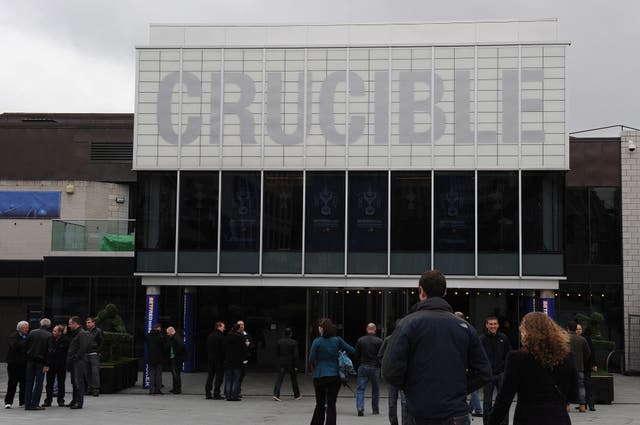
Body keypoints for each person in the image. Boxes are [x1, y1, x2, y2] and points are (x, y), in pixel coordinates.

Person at [382, 270, 491, 425]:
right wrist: (458, 389)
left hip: (419, 412)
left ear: (421, 290)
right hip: (456, 412)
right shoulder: (465, 327)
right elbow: (484, 372)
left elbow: (390, 370)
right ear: (445, 291)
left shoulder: (408, 324)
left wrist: (414, 388)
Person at [488, 312, 578, 425]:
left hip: (528, 418)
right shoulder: (568, 356)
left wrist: (492, 421)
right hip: (558, 418)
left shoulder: (517, 358)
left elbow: (504, 398)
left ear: (526, 333)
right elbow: (573, 393)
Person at [308, 318, 355, 425]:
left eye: (319, 327)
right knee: (331, 404)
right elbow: (352, 350)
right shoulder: (337, 340)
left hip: (319, 375)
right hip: (334, 376)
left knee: (319, 404)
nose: (319, 329)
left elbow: (310, 359)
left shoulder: (317, 341)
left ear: (322, 329)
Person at [378, 322, 413, 425]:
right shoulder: (390, 339)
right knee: (395, 402)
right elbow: (381, 356)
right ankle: (396, 422)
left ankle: (401, 422)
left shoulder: (407, 339)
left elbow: (380, 356)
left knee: (400, 402)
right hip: (397, 375)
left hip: (402, 375)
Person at [481, 316, 512, 425]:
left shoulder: (504, 338)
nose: (493, 326)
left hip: (501, 375)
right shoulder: (482, 339)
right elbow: (479, 356)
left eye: (495, 324)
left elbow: (509, 354)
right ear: (486, 325)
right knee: (487, 403)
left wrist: (505, 369)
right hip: (488, 375)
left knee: (503, 401)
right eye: (490, 324)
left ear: (498, 325)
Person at [454, 312, 483, 419]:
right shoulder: (470, 330)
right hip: (468, 364)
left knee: (469, 388)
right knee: (471, 386)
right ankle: (473, 408)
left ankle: (477, 409)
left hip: (463, 364)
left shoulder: (460, 331)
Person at [24, 318, 53, 410]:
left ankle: (27, 404)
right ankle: (34, 404)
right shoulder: (49, 335)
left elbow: (26, 346)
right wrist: (47, 364)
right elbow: (49, 351)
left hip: (30, 361)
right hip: (41, 362)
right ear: (48, 325)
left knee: (29, 383)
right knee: (39, 383)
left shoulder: (32, 332)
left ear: (40, 324)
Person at [355, 322, 383, 416]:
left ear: (367, 330)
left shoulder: (360, 340)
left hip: (363, 366)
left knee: (360, 389)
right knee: (375, 389)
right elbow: (381, 355)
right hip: (375, 367)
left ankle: (360, 407)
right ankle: (375, 409)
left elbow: (356, 354)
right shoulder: (379, 341)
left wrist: (358, 364)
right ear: (374, 330)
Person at [66, 316, 91, 409]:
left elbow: (83, 347)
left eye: (70, 323)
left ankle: (79, 402)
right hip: (75, 361)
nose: (69, 325)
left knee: (79, 381)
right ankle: (74, 400)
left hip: (79, 361)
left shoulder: (82, 333)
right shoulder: (76, 333)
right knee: (74, 381)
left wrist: (76, 357)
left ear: (75, 323)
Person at [43, 324, 70, 407]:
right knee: (49, 383)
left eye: (55, 331)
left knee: (61, 383)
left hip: (61, 365)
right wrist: (46, 364)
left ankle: (60, 400)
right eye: (53, 330)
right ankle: (48, 400)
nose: (53, 332)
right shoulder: (50, 339)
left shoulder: (65, 340)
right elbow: (47, 352)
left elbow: (66, 353)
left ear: (60, 332)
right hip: (51, 364)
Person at [567, 320, 591, 413]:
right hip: (580, 367)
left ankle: (567, 405)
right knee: (581, 386)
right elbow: (588, 353)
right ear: (576, 329)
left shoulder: (564, 338)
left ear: (568, 328)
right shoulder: (582, 339)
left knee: (567, 386)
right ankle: (582, 406)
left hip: (567, 366)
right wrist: (582, 361)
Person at [5, 320, 29, 409]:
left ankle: (22, 401)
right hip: (13, 364)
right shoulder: (13, 336)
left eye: (28, 327)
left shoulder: (27, 336)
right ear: (20, 328)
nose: (27, 329)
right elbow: (15, 346)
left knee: (24, 383)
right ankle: (8, 402)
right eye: (26, 327)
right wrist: (25, 341)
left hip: (24, 364)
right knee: (12, 383)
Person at [273, 327, 301, 401]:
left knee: (279, 379)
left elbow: (277, 353)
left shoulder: (279, 342)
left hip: (282, 362)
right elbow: (296, 355)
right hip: (291, 363)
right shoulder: (294, 342)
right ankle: (297, 395)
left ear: (284, 333)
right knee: (294, 379)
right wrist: (296, 365)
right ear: (291, 334)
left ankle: (276, 394)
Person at [224, 323, 248, 401]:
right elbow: (244, 349)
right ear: (238, 329)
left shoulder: (227, 336)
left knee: (228, 379)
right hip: (238, 361)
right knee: (236, 379)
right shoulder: (241, 337)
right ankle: (234, 396)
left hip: (228, 361)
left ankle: (228, 396)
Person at [577, 323, 597, 411]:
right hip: (582, 365)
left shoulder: (586, 339)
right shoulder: (578, 339)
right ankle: (584, 404)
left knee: (586, 385)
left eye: (580, 329)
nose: (578, 331)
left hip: (585, 365)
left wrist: (593, 364)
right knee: (583, 385)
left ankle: (589, 404)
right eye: (577, 329)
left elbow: (591, 352)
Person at [205, 321, 226, 400]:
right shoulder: (221, 337)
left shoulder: (210, 336)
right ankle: (216, 394)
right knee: (219, 377)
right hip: (219, 360)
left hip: (210, 359)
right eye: (223, 327)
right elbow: (223, 349)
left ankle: (208, 393)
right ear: (219, 327)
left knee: (210, 376)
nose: (224, 328)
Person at [145, 322, 167, 395]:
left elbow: (148, 345)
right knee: (158, 375)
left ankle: (151, 390)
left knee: (151, 374)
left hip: (150, 358)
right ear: (158, 328)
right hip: (159, 358)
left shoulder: (148, 336)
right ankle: (158, 390)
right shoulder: (160, 336)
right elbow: (164, 347)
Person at [85, 317, 103, 397]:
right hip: (86, 354)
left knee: (95, 373)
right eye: (86, 323)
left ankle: (96, 389)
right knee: (87, 372)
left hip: (94, 354)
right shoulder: (86, 332)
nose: (87, 324)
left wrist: (98, 351)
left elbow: (101, 342)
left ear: (93, 323)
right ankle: (89, 388)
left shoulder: (98, 331)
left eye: (89, 322)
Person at [166, 326, 186, 394]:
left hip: (176, 358)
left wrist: (176, 353)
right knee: (174, 374)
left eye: (168, 333)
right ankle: (175, 388)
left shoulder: (177, 337)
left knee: (176, 374)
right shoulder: (174, 337)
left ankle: (177, 389)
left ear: (171, 332)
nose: (167, 334)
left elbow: (181, 345)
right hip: (174, 358)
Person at [237, 320, 252, 397]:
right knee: (236, 375)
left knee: (242, 375)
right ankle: (236, 391)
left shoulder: (247, 335)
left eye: (243, 324)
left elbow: (251, 345)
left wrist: (248, 345)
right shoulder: (234, 334)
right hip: (236, 359)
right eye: (240, 325)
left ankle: (238, 390)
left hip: (244, 358)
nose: (242, 326)